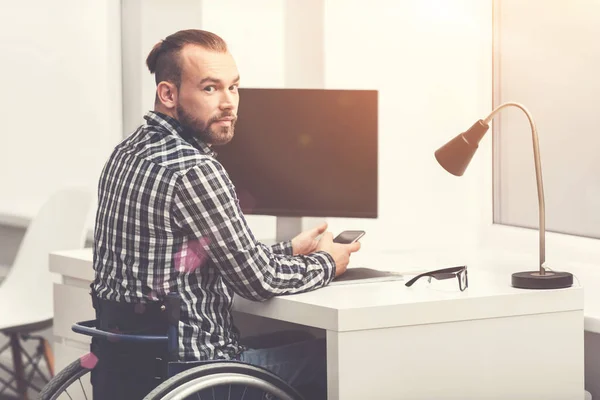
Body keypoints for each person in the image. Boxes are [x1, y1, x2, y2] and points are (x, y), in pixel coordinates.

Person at [90, 29, 361, 399]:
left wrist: (289, 250)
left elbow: (206, 255)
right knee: (330, 359)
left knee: (296, 337)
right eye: (210, 88)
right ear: (168, 94)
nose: (229, 103)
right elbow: (256, 282)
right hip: (196, 373)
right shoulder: (194, 169)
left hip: (129, 370)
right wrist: (329, 262)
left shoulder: (127, 152)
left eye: (233, 87)